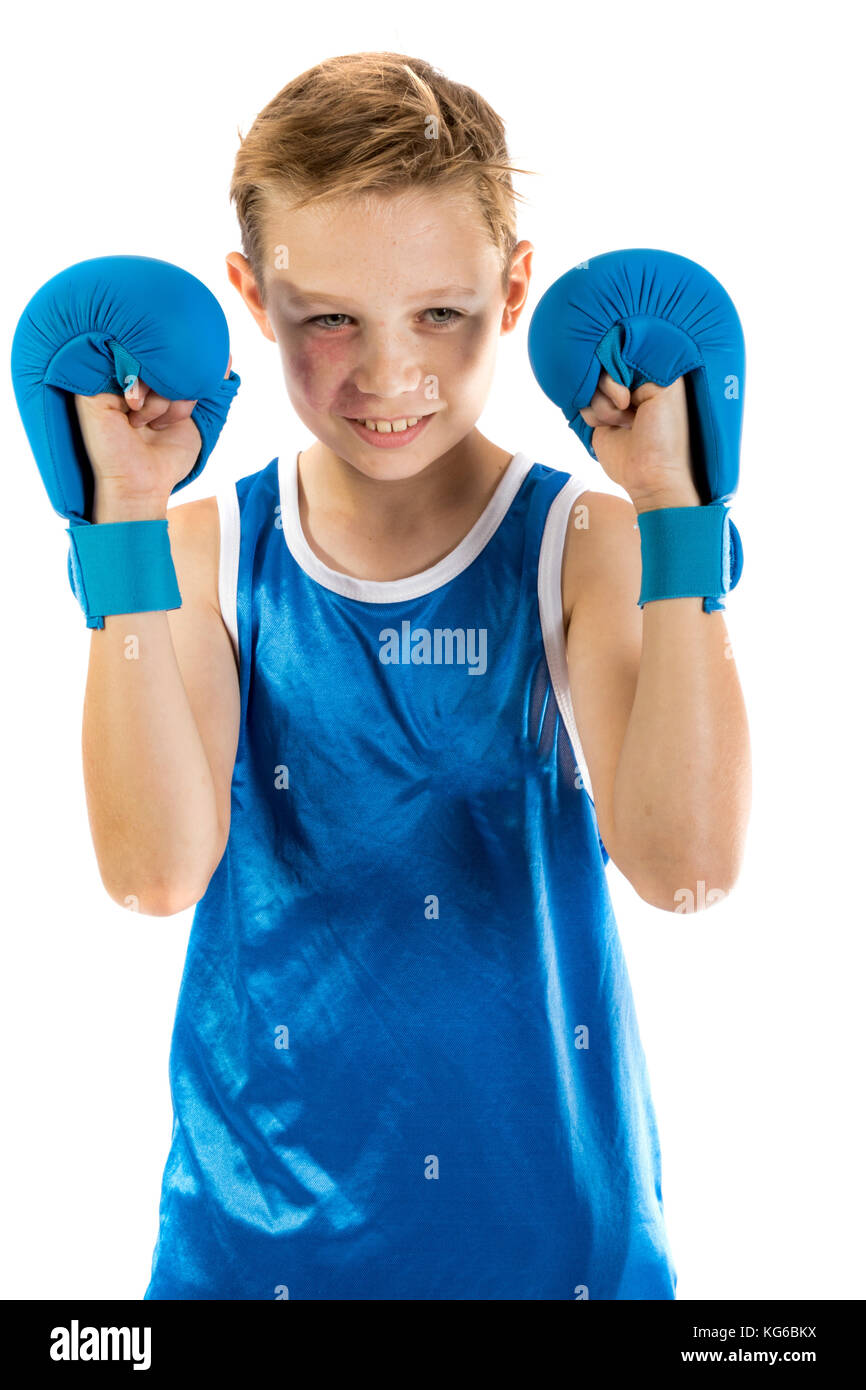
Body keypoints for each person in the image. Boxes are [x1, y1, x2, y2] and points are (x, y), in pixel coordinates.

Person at [74, 52, 751, 1300]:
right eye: (327, 317)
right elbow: (154, 874)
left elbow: (686, 867)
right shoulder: (199, 554)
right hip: (247, 1254)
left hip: (555, 1248)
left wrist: (676, 512)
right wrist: (119, 522)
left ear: (513, 288)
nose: (388, 375)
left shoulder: (582, 547)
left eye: (438, 312)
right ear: (249, 297)